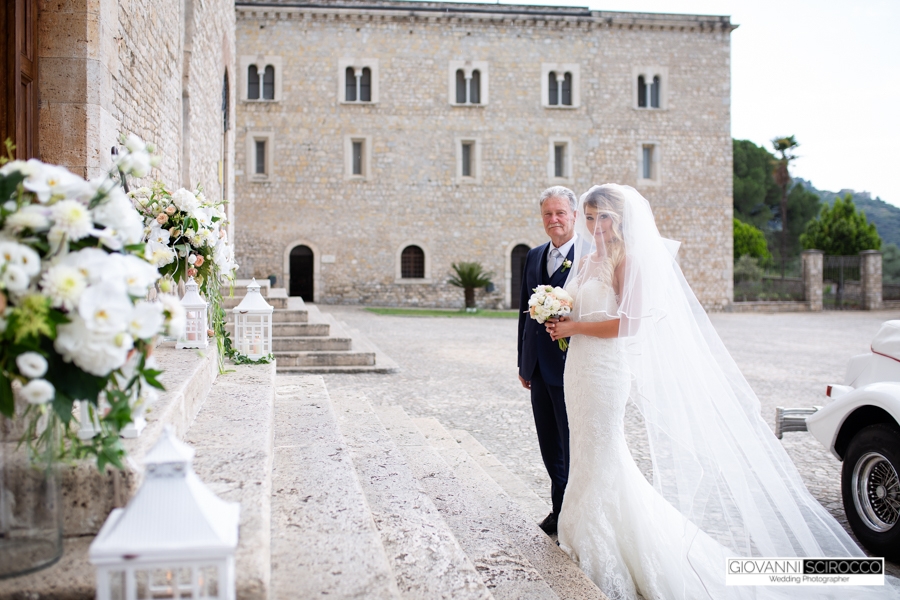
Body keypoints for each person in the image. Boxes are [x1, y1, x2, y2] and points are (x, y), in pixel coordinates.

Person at [545, 184, 894, 599]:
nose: (595, 225)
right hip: (578, 370)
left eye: (602, 216)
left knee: (605, 453)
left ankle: (609, 543)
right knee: (583, 449)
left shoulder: (628, 261)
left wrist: (575, 327)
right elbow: (580, 308)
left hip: (605, 372)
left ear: (620, 220)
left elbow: (629, 324)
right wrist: (558, 314)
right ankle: (581, 533)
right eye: (589, 217)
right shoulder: (585, 261)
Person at [517, 186, 578, 535]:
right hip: (538, 368)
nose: (553, 220)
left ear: (572, 215)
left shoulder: (588, 257)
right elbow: (525, 313)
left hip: (572, 367)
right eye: (547, 214)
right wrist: (524, 363)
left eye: (560, 213)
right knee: (548, 443)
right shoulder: (534, 255)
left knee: (571, 443)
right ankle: (559, 507)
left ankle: (572, 513)